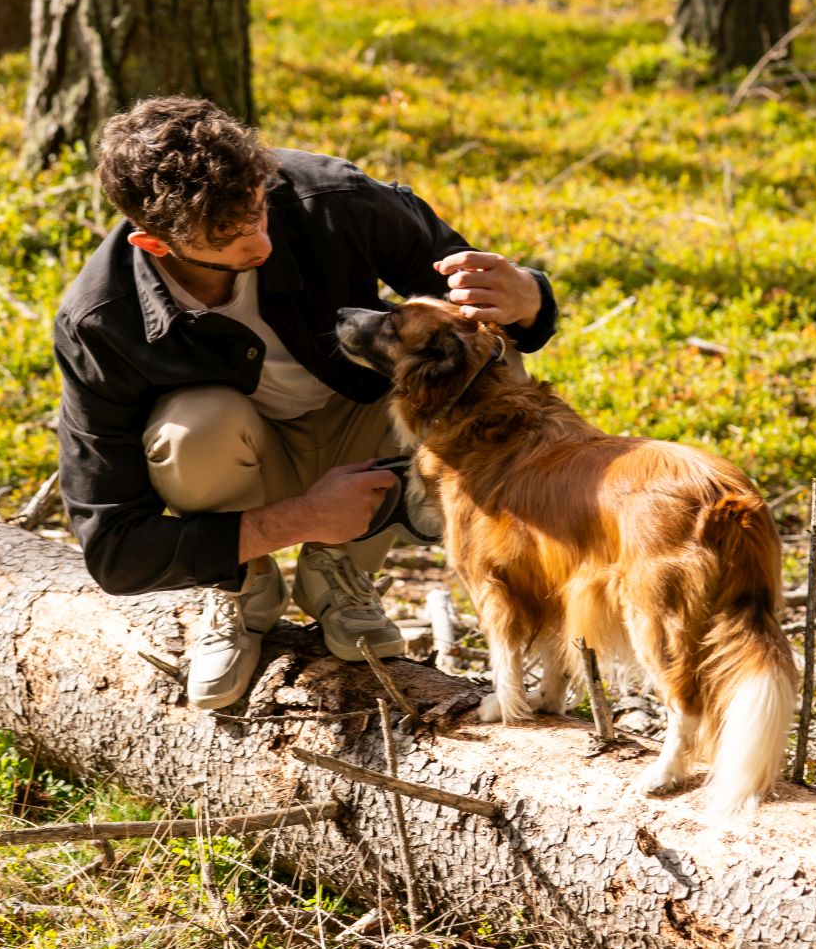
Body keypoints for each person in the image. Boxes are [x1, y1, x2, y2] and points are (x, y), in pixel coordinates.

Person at [54, 96, 558, 709]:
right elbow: (114, 549)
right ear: (155, 244)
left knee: (470, 370)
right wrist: (297, 520)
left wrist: (529, 297)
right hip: (241, 463)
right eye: (230, 238)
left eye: (261, 212)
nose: (261, 242)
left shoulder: (333, 199)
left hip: (361, 427)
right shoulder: (101, 321)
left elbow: (476, 322)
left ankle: (339, 572)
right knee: (191, 430)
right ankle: (242, 587)